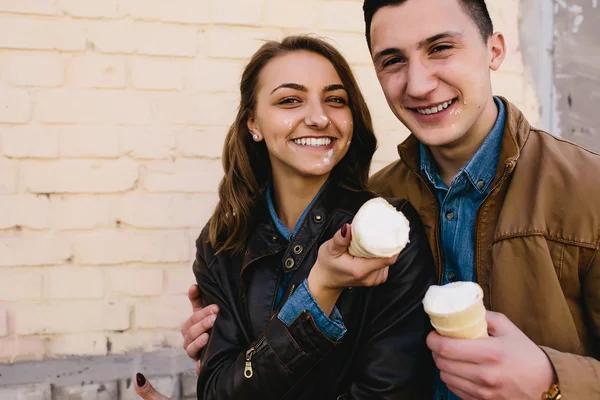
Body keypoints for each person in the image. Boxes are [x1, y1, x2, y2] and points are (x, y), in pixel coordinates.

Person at [142, 0, 600, 398]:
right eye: (393, 60)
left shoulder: (588, 190)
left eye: (441, 48)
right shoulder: (371, 212)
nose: (419, 84)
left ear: (495, 50)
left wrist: (551, 382)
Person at [137, 35, 436, 399]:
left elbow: (388, 392)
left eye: (335, 100)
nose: (319, 117)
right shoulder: (221, 244)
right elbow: (217, 390)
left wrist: (318, 291)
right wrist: (319, 289)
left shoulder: (389, 231)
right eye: (290, 100)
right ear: (253, 124)